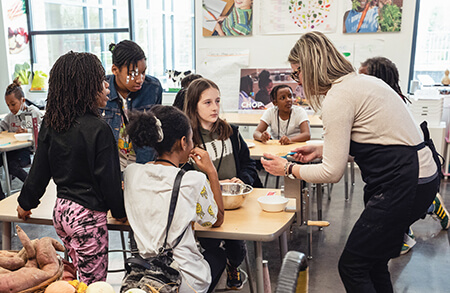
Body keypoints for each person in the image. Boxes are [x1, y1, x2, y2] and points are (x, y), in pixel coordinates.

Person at [261, 31, 441, 292]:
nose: (297, 82)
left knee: (353, 265)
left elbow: (332, 173)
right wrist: (322, 149)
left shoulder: (339, 96)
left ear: (311, 68)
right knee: (374, 261)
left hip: (405, 180)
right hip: (418, 174)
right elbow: (379, 139)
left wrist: (288, 169)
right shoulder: (361, 83)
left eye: (297, 74)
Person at [16, 51, 126, 284]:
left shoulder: (52, 123)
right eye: (100, 81)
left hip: (63, 213)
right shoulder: (100, 129)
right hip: (87, 218)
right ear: (87, 88)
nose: (107, 85)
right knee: (92, 285)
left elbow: (39, 171)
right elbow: (110, 182)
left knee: (73, 278)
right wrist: (120, 212)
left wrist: (25, 204)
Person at [123, 105, 225, 293]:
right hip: (181, 280)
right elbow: (216, 219)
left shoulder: (131, 173)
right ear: (183, 142)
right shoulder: (193, 180)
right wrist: (211, 172)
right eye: (192, 139)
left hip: (144, 275)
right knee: (218, 255)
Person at [359, 56, 450, 255]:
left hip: (406, 170)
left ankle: (406, 234)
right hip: (400, 169)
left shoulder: (387, 102)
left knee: (392, 212)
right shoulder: (383, 100)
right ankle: (430, 205)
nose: (358, 82)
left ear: (377, 79)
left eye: (363, 77)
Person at [184, 78, 262, 290]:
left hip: (236, 204)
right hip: (204, 207)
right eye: (207, 102)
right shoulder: (188, 140)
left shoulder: (231, 132)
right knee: (210, 245)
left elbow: (248, 165)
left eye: (217, 101)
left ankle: (233, 265)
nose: (215, 107)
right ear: (193, 105)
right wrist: (213, 184)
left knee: (237, 247)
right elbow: (185, 175)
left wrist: (242, 180)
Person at [100, 40, 163, 170]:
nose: (140, 79)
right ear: (115, 70)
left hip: (144, 167)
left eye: (143, 72)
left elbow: (156, 132)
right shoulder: (100, 90)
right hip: (111, 168)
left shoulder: (153, 88)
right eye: (132, 74)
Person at [0, 77, 43, 199]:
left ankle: (33, 187)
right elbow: (1, 127)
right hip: (11, 150)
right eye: (8, 105)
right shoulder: (9, 117)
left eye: (13, 104)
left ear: (22, 100)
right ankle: (1, 198)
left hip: (27, 151)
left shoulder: (32, 112)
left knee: (11, 165)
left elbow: (44, 129)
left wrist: (29, 131)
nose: (11, 108)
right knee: (7, 161)